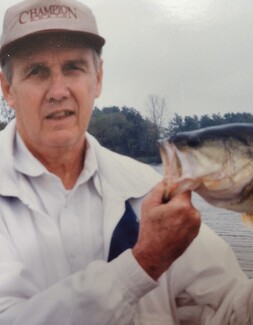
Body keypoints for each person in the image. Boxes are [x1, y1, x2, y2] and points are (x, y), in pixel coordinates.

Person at [0, 0, 252, 324]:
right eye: (37, 71)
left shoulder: (144, 186)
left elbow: (232, 307)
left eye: (74, 67)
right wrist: (144, 263)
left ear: (98, 78)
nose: (58, 90)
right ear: (8, 88)